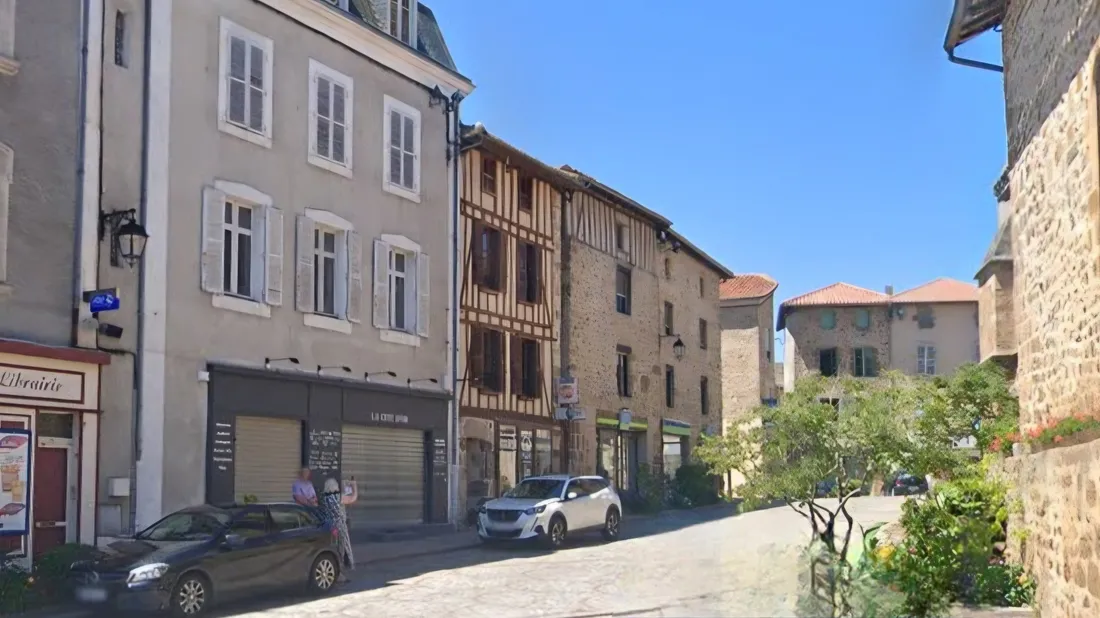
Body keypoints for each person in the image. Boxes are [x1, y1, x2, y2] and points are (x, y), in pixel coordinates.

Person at [319, 476, 358, 582]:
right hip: (339, 526)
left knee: (334, 549)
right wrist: (354, 485)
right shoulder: (337, 497)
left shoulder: (324, 498)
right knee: (341, 549)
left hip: (330, 527)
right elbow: (352, 498)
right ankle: (339, 574)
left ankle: (337, 573)